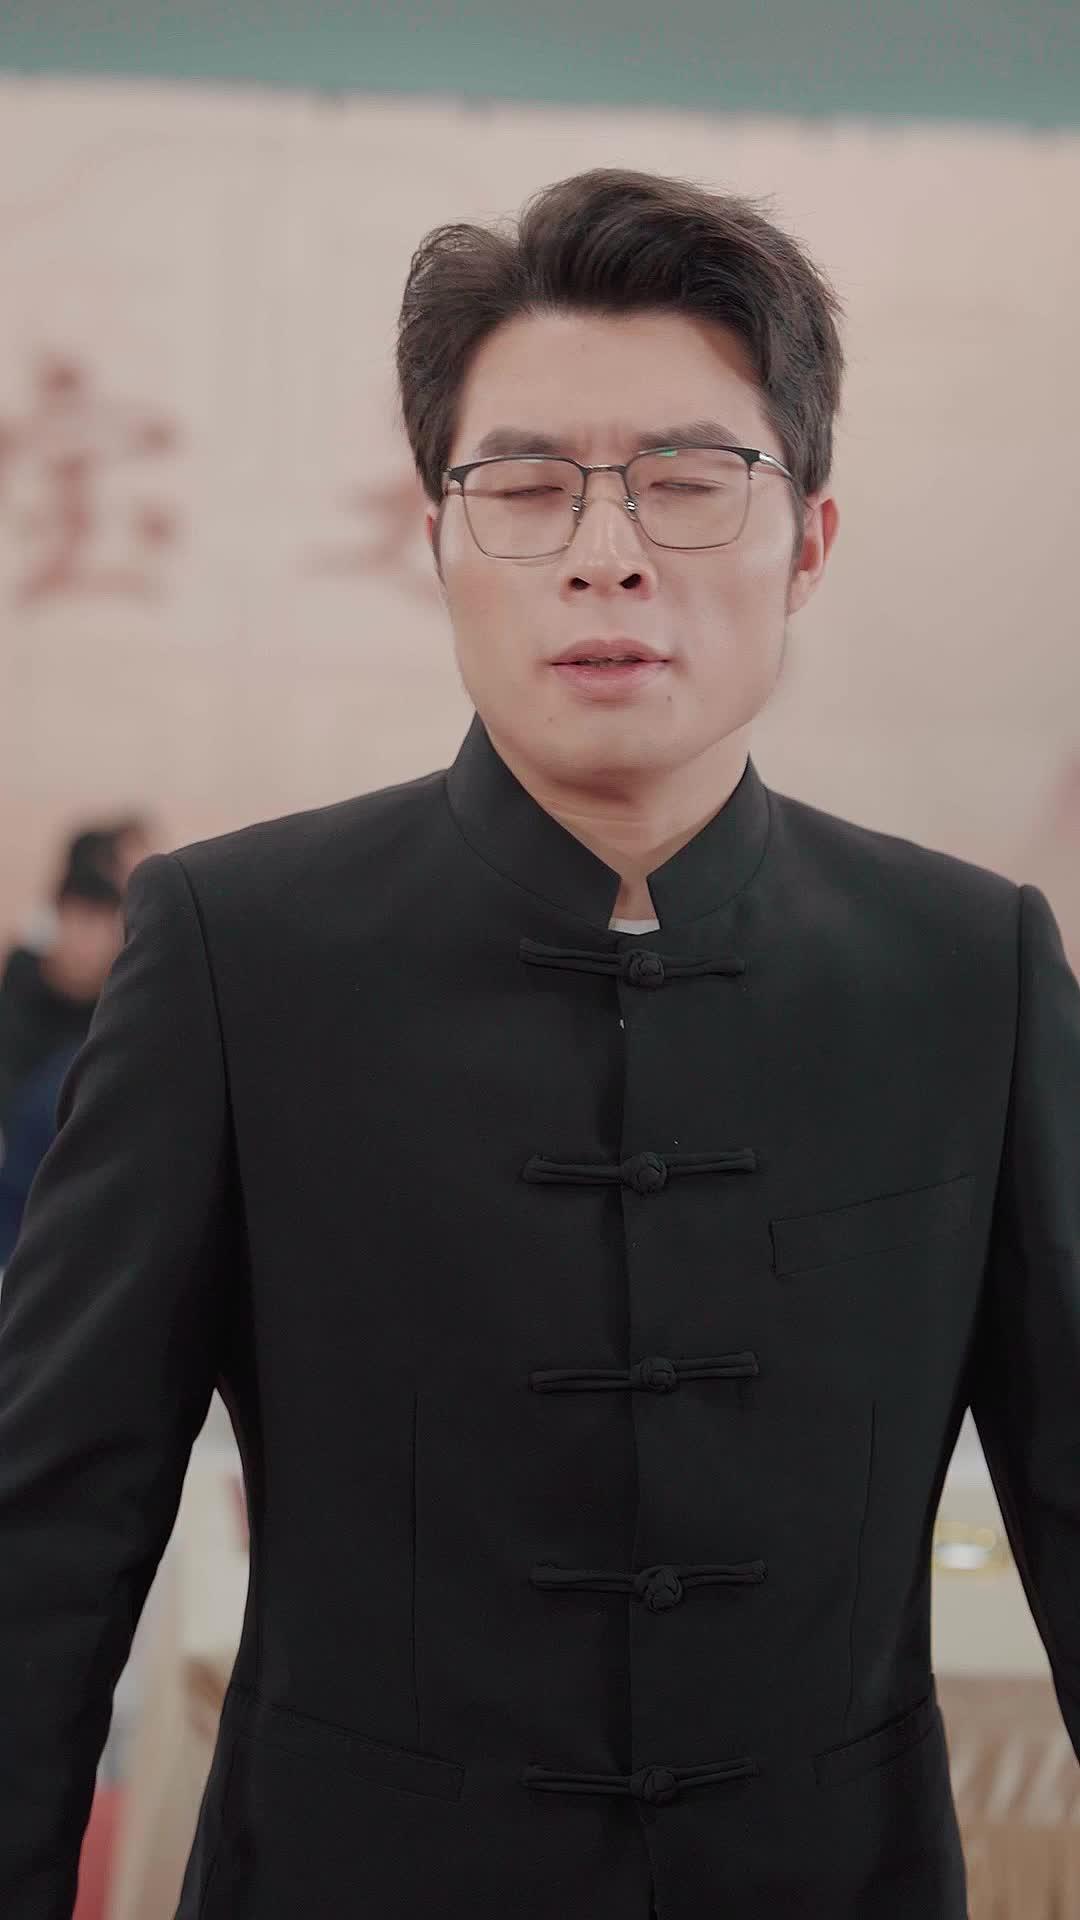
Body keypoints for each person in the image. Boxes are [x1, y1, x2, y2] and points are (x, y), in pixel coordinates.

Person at [0, 169, 1076, 1920]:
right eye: (523, 485)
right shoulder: (237, 954)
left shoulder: (970, 971)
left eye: (688, 480)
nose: (606, 549)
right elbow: (49, 1527)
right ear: (437, 540)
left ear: (809, 542)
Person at [0, 837, 125, 1139]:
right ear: (57, 919)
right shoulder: (22, 978)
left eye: (98, 925)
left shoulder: (120, 1000)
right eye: (79, 921)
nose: (86, 942)